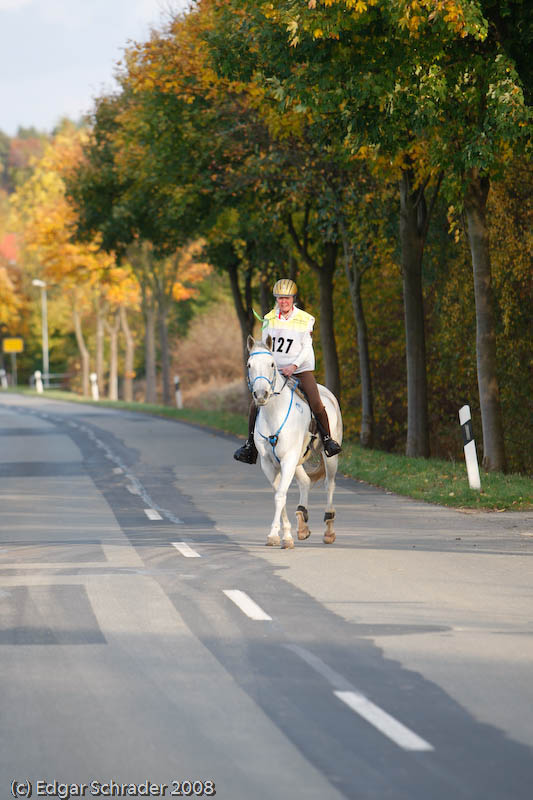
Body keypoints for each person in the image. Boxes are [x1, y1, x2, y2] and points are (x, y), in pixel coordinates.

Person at [234, 278, 342, 464]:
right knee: (255, 404)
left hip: (300, 369)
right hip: (275, 371)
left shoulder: (305, 319)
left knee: (316, 402)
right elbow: (267, 348)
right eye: (280, 298)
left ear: (293, 299)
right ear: (276, 299)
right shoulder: (268, 318)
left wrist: (294, 366)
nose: (283, 302)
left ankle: (327, 440)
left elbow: (306, 347)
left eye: (287, 298)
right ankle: (250, 445)